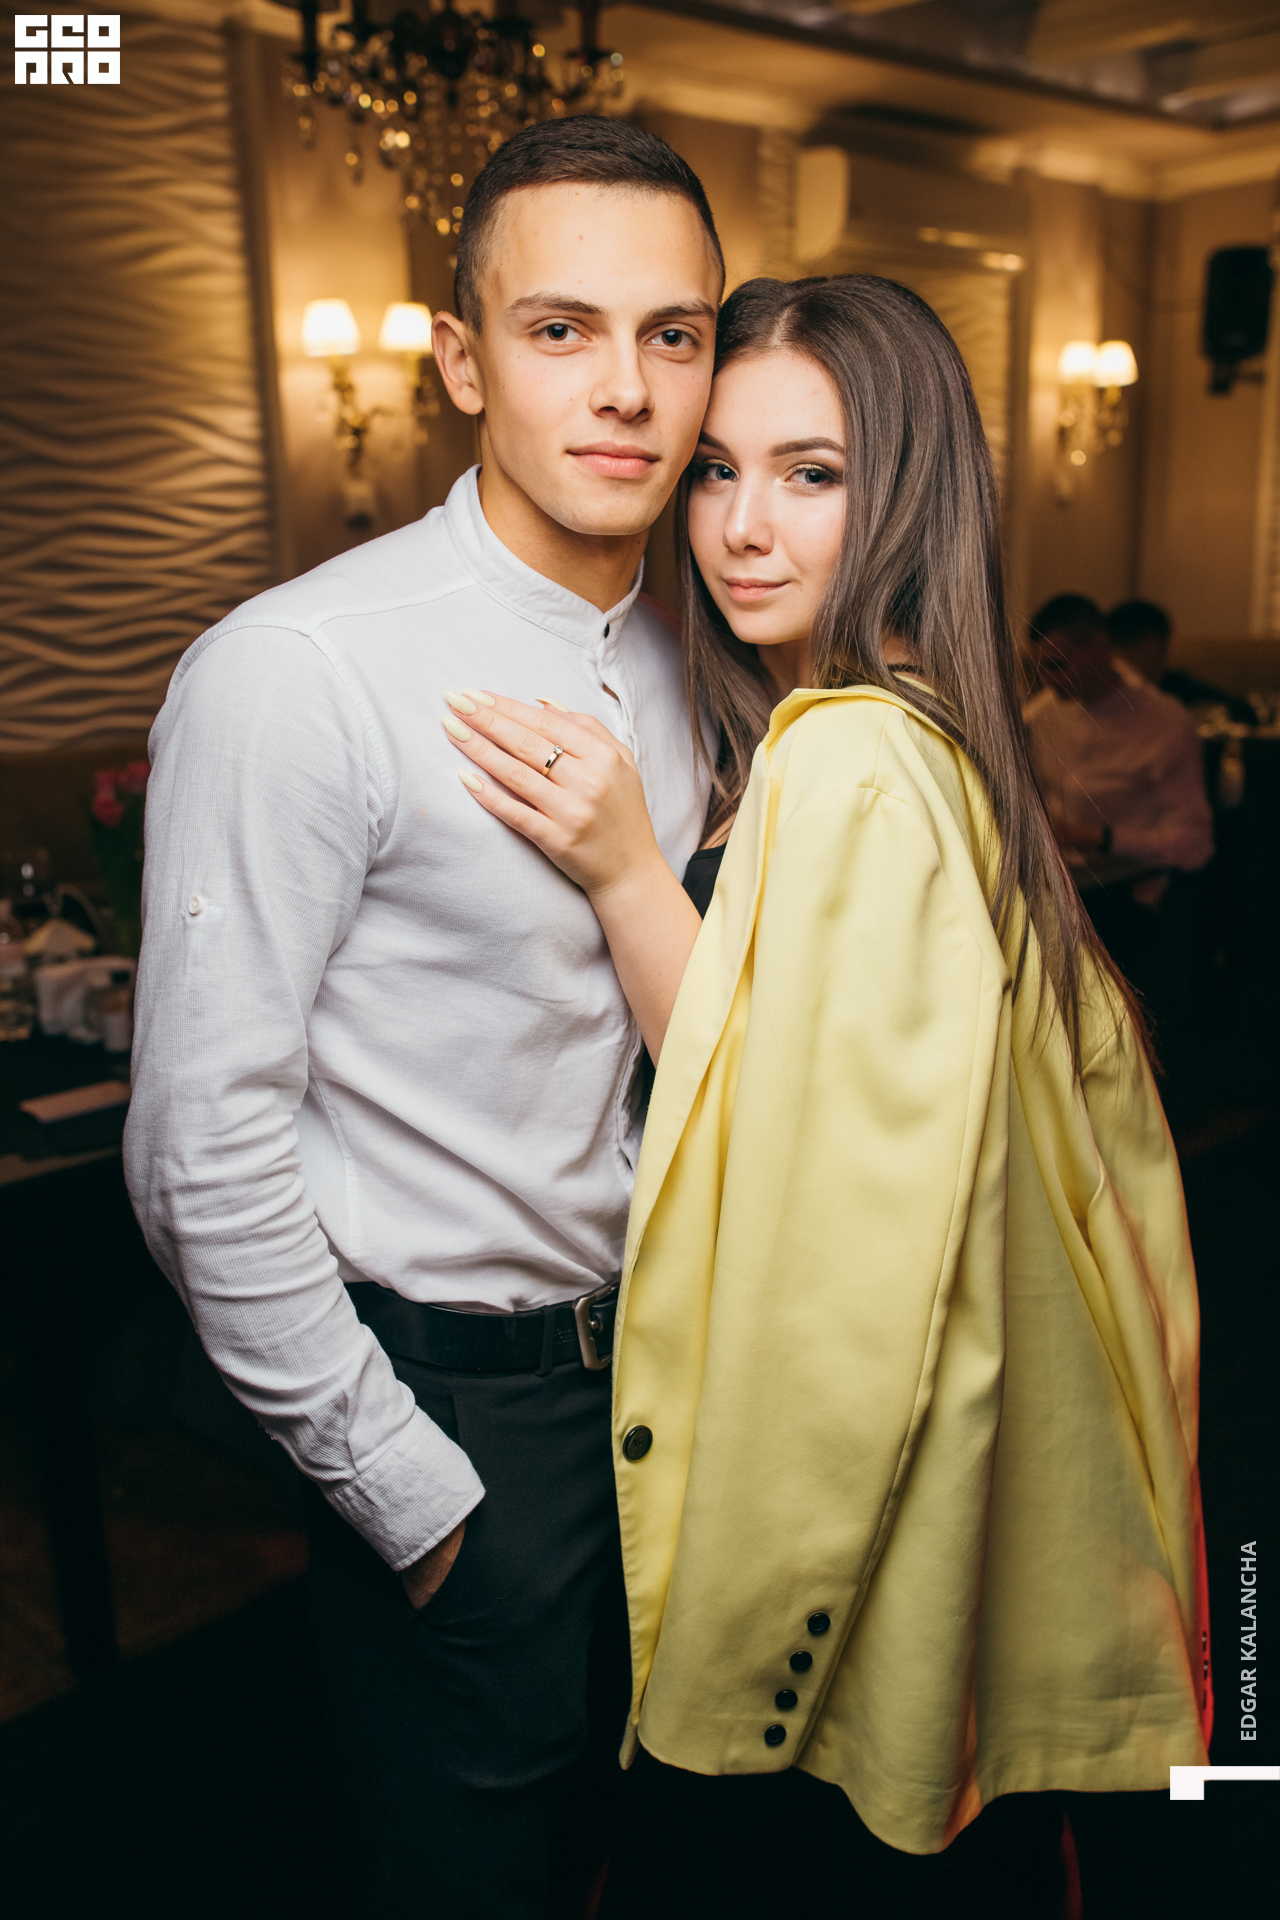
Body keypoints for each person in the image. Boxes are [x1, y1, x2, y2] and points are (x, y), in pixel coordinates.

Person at [441, 275, 1212, 1914]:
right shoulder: (931, 736)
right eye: (715, 470)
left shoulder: (851, 757)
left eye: (812, 473)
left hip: (838, 1542)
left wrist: (621, 870)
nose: (741, 525)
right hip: (949, 1539)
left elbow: (807, 1204)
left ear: (909, 491)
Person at [123, 117, 725, 1918]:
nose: (626, 390)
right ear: (461, 360)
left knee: (644, 1846)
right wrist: (416, 1502)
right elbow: (199, 1150)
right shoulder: (298, 671)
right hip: (461, 1413)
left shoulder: (710, 654)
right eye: (560, 330)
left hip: (675, 1379)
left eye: (674, 334)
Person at [1107, 596, 1257, 725]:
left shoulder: (1173, 684)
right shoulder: (1168, 692)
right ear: (1155, 647)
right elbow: (1244, 711)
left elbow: (1241, 709)